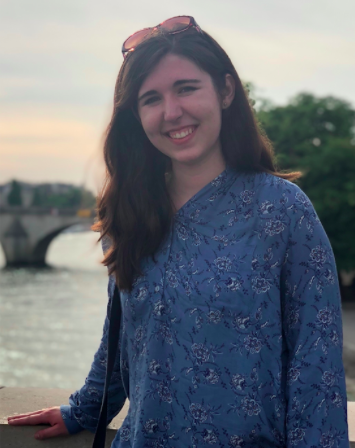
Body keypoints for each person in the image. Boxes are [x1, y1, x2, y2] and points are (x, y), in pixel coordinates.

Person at [7, 15, 349, 447]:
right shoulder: (128, 211)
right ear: (136, 114)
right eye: (151, 99)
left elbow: (316, 370)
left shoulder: (283, 211)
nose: (172, 113)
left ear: (225, 91)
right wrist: (85, 409)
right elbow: (126, 335)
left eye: (186, 88)